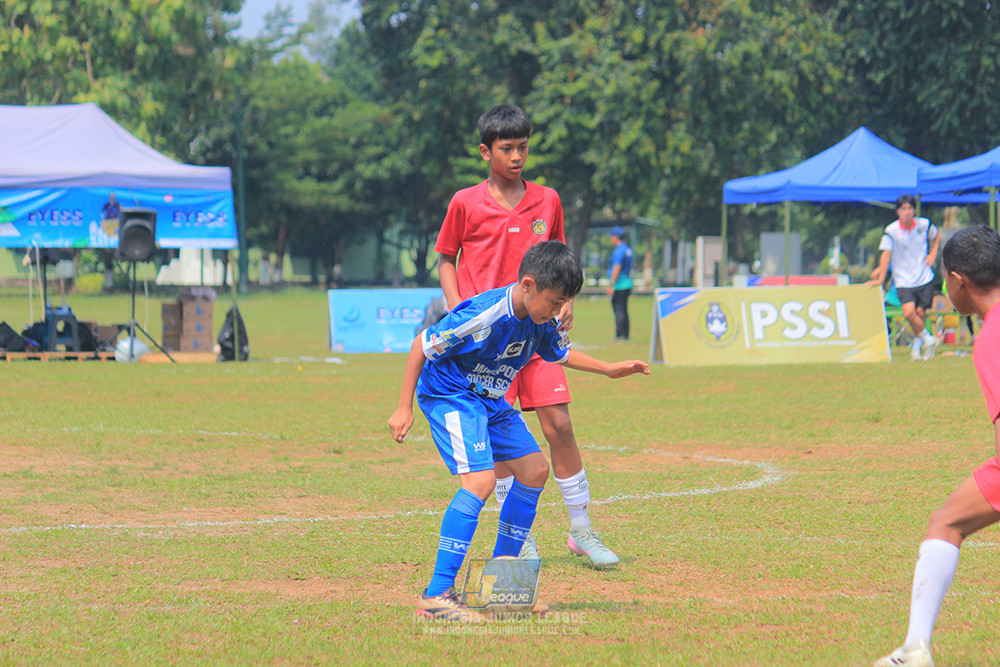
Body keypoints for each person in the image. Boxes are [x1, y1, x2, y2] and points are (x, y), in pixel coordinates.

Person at [387, 241, 650, 621]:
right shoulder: (486, 312)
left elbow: (560, 354)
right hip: (452, 394)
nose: (559, 311)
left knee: (534, 470)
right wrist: (403, 406)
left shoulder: (540, 320)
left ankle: (500, 587)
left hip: (490, 399)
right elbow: (422, 344)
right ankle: (436, 595)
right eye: (555, 301)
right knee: (480, 482)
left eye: (564, 303)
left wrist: (608, 369)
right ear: (527, 285)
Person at [435, 103, 620, 568]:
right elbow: (445, 258)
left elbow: (559, 256)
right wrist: (459, 308)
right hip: (487, 347)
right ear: (485, 151)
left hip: (536, 335)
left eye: (523, 147)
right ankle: (521, 536)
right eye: (506, 148)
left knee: (559, 425)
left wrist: (567, 299)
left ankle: (582, 530)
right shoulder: (464, 202)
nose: (517, 156)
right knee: (502, 440)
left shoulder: (548, 199)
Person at [874, 225, 1000, 667]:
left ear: (960, 280)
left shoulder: (991, 337)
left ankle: (915, 650)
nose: (946, 290)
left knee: (945, 523)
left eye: (946, 280)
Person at [867, 194, 941, 361]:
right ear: (898, 211)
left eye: (909, 208)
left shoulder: (924, 224)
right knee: (909, 313)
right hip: (903, 280)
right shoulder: (891, 231)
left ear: (914, 210)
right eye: (903, 209)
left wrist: (933, 254)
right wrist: (880, 278)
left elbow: (936, 236)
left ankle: (916, 349)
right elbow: (886, 254)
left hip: (924, 277)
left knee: (920, 313)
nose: (906, 212)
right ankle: (929, 339)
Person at [606, 226, 634, 341]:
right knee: (624, 310)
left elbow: (616, 267)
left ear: (616, 237)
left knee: (618, 310)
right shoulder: (627, 249)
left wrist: (611, 284)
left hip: (620, 284)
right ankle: (626, 334)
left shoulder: (619, 250)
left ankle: (620, 335)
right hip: (627, 283)